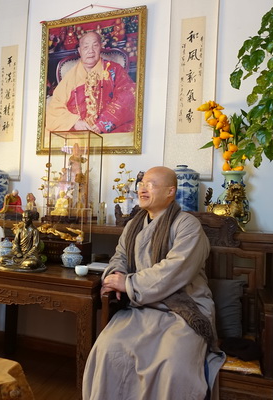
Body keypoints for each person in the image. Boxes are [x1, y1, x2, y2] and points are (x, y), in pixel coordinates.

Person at [82, 166, 225, 399]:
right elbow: (119, 257)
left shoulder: (187, 225)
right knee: (108, 349)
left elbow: (174, 270)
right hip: (141, 308)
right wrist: (114, 276)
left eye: (151, 184)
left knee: (173, 364)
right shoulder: (133, 225)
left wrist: (127, 283)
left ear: (171, 191)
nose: (143, 189)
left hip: (182, 311)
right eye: (142, 184)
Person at [45, 31, 136, 134]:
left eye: (95, 46)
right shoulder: (70, 78)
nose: (91, 51)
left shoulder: (114, 70)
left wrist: (103, 124)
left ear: (100, 47)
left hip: (111, 131)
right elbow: (54, 109)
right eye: (86, 47)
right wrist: (74, 122)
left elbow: (128, 95)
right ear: (79, 51)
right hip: (79, 134)